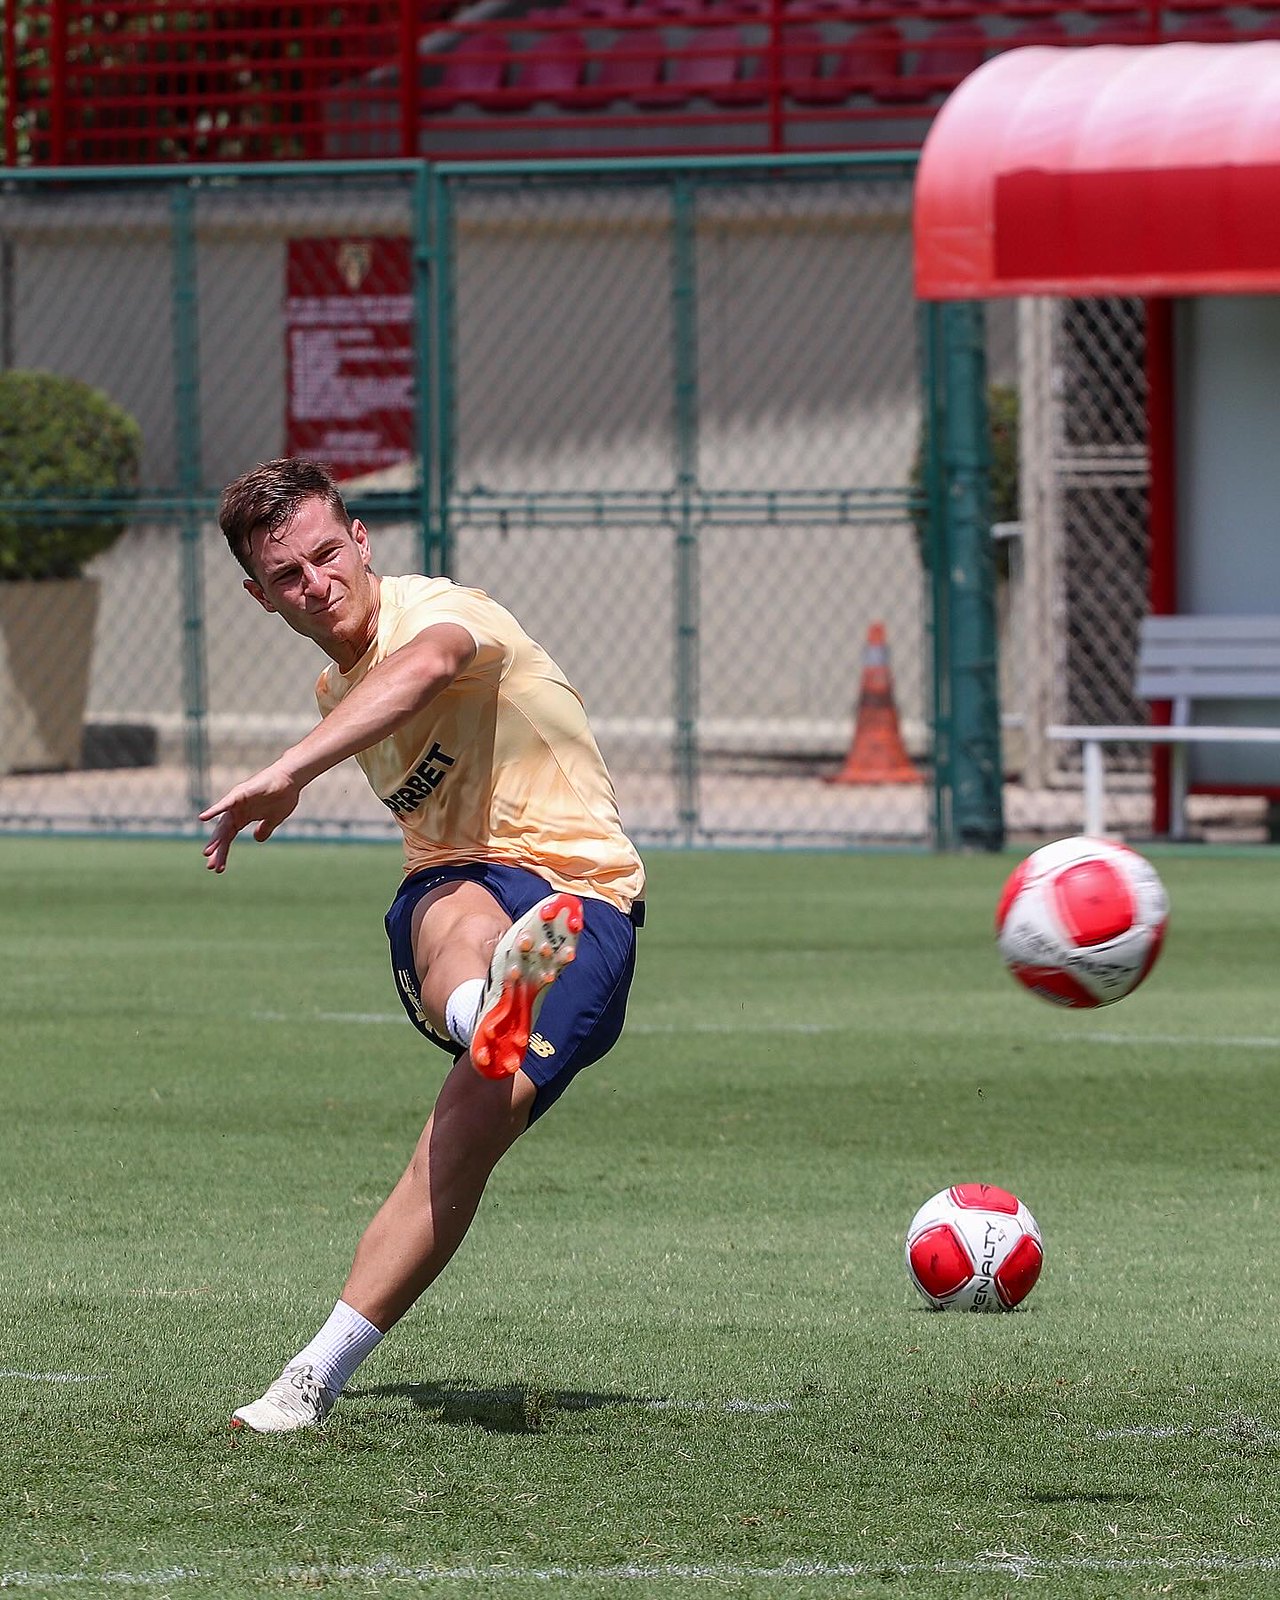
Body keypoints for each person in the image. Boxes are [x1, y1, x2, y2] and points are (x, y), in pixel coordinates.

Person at [202, 457, 646, 1433]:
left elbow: (429, 668)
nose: (316, 584)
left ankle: (500, 996)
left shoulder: (442, 610)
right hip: (455, 890)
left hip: (585, 898)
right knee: (455, 949)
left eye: (326, 554)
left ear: (360, 541)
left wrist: (288, 773)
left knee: (471, 1110)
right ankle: (307, 1384)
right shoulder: (335, 687)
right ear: (259, 596)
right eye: (287, 577)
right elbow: (377, 699)